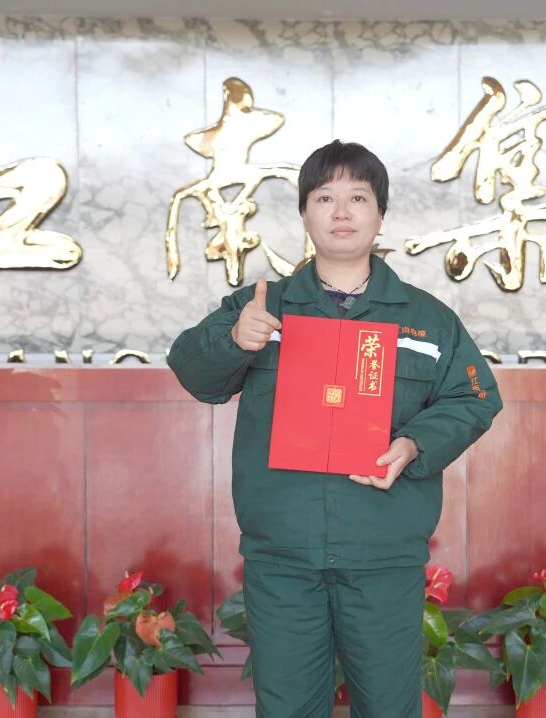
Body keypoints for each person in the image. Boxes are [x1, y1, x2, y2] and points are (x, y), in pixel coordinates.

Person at [168, 140, 502, 717]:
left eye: (358, 198)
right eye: (324, 198)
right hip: (283, 555)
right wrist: (234, 340)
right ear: (304, 212)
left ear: (380, 213)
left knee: (390, 708)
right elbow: (195, 374)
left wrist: (413, 444)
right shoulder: (263, 307)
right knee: (288, 708)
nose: (341, 212)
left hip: (383, 553)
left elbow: (474, 397)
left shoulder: (426, 319)